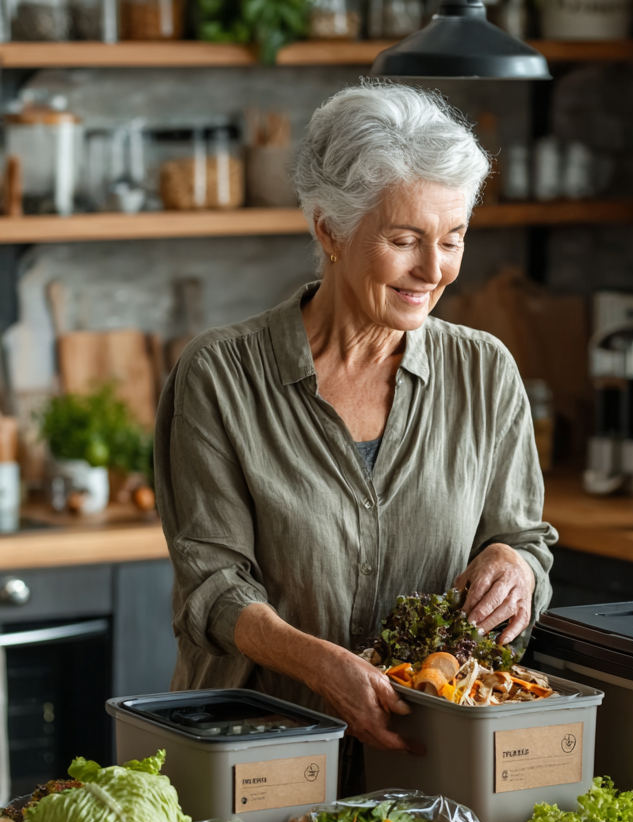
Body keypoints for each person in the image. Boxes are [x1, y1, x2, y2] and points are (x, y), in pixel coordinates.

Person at [154, 82, 557, 786]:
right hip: (263, 758)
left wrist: (516, 567)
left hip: (430, 763)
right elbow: (212, 587)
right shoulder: (221, 375)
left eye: (453, 239)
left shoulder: (484, 372)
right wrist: (322, 666)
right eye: (404, 241)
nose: (433, 270)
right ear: (330, 232)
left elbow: (524, 540)